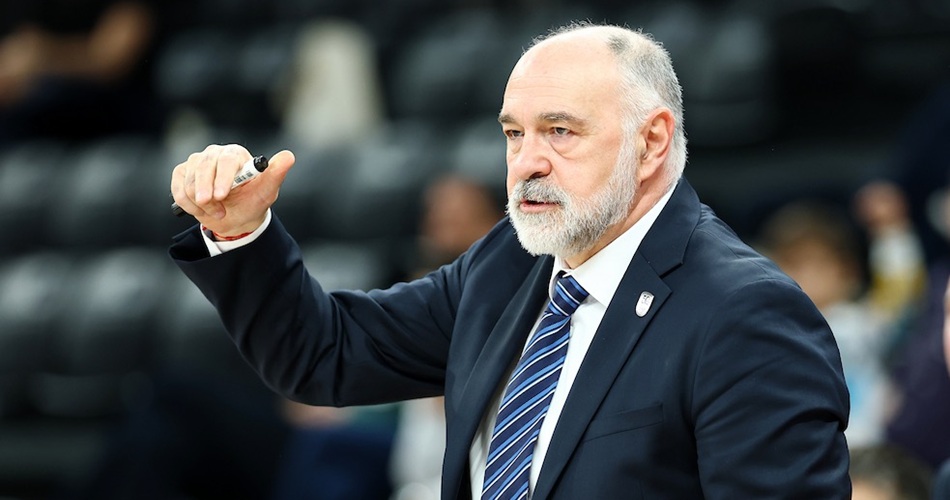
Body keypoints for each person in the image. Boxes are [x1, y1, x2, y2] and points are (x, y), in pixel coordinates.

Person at [169, 22, 850, 498]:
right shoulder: (509, 263)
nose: (526, 163)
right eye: (514, 134)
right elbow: (325, 353)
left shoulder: (745, 314)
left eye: (560, 131)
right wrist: (242, 230)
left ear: (651, 144)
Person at [758, 200, 894, 448]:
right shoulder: (769, 329)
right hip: (808, 447)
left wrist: (890, 230)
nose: (807, 276)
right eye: (794, 263)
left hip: (870, 445)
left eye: (819, 264)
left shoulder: (865, 321)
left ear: (848, 271)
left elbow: (899, 292)